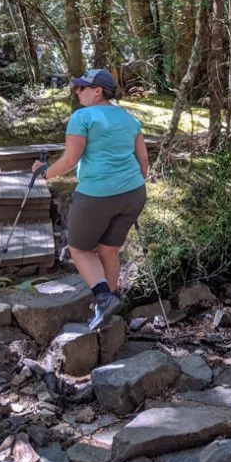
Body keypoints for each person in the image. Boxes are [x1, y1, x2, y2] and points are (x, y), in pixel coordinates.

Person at [32, 68, 149, 330]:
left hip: (97, 194)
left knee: (80, 249)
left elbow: (71, 160)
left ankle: (103, 298)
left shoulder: (82, 117)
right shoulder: (130, 119)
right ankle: (110, 305)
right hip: (133, 193)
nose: (78, 91)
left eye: (82, 88)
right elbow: (143, 161)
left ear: (98, 91)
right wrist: (131, 187)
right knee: (108, 250)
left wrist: (44, 174)